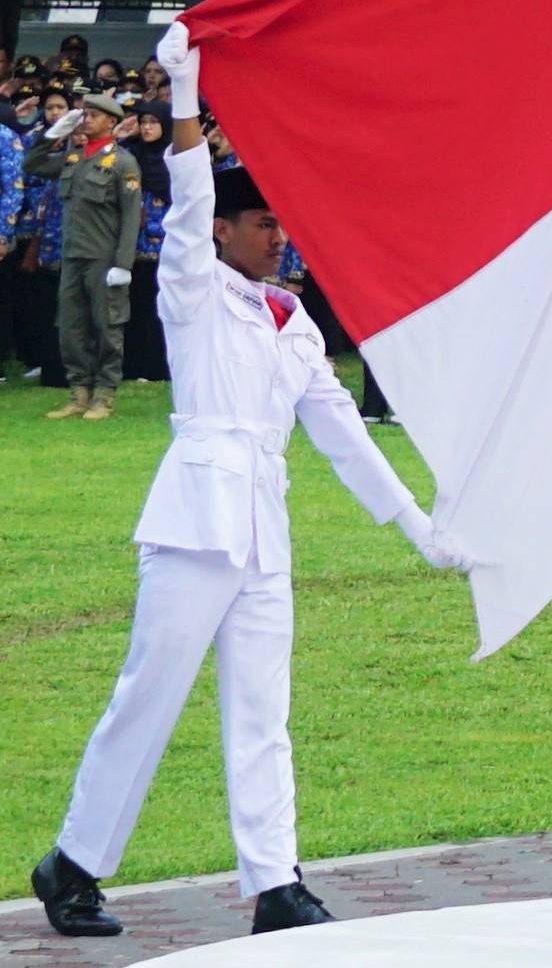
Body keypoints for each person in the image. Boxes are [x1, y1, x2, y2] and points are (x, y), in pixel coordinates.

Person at [37, 50, 464, 943]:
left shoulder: (291, 319)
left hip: (263, 528)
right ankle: (73, 863)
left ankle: (276, 883)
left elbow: (341, 430)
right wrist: (187, 96)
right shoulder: (193, 291)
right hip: (196, 521)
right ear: (225, 233)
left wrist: (421, 527)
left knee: (264, 713)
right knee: (147, 699)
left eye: (281, 224)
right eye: (263, 223)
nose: (278, 238)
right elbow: (188, 197)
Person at [36, 97, 142, 419]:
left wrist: (123, 264)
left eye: (93, 116)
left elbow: (130, 217)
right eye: (84, 115)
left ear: (111, 122)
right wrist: (52, 135)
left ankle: (104, 395)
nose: (85, 120)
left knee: (108, 325)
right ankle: (79, 391)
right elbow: (34, 165)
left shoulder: (123, 163)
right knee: (71, 327)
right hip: (73, 256)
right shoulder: (73, 158)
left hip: (104, 258)